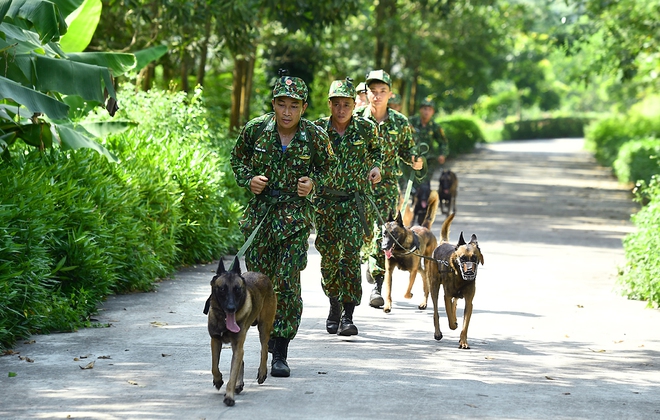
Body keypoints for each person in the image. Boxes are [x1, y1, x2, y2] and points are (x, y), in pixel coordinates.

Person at [230, 71, 335, 377]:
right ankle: (260, 342)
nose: (287, 112)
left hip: (294, 220)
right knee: (259, 284)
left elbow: (329, 167)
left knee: (287, 284)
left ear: (303, 107)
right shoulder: (256, 129)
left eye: (294, 105)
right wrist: (248, 179)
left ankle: (280, 350)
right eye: (281, 104)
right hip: (261, 218)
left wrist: (312, 183)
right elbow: (237, 159)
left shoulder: (315, 136)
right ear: (273, 103)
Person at [313, 78, 382, 336]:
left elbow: (377, 152)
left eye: (347, 104)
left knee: (350, 258)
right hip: (325, 204)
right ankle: (333, 304)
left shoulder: (365, 129)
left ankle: (348, 315)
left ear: (355, 104)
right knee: (330, 260)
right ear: (329, 104)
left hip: (354, 203)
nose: (341, 109)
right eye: (337, 104)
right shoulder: (317, 129)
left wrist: (376, 167)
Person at [355, 69, 423, 308]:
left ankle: (377, 286)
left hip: (386, 189)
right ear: (367, 93)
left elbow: (407, 151)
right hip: (357, 188)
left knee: (381, 233)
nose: (377, 95)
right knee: (363, 235)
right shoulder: (355, 118)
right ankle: (368, 262)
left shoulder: (399, 122)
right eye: (372, 91)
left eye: (382, 91)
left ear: (390, 94)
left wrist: (415, 160)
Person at [408, 97, 449, 182]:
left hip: (429, 160)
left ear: (433, 112)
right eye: (425, 109)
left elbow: (443, 142)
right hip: (412, 158)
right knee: (413, 185)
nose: (427, 112)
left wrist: (442, 154)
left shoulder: (435, 126)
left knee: (424, 185)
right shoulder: (411, 122)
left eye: (430, 110)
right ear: (420, 110)